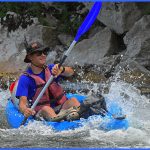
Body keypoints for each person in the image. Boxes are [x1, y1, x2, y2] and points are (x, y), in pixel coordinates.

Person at [16, 41, 80, 122]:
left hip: (59, 107)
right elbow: (22, 104)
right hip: (41, 112)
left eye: (44, 52)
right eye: (39, 53)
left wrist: (62, 69)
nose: (43, 55)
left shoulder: (52, 69)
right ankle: (59, 120)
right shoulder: (25, 78)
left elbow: (71, 72)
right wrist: (25, 110)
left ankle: (71, 115)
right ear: (30, 57)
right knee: (47, 109)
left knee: (73, 101)